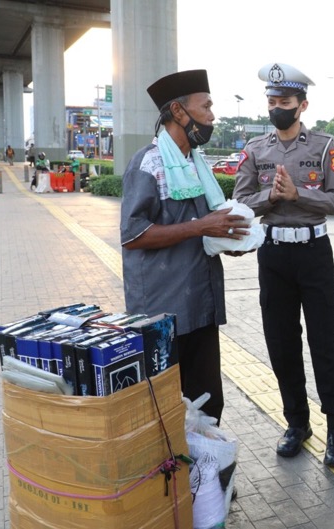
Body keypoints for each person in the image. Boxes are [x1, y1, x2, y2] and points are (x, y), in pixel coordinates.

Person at [232, 62, 334, 467]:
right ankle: (296, 423)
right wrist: (271, 197)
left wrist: (297, 193)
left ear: (302, 105)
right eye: (271, 101)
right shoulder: (255, 148)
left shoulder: (324, 145)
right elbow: (240, 201)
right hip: (274, 256)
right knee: (281, 344)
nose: (276, 107)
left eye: (284, 101)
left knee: (324, 344)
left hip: (314, 254)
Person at [120, 69, 250, 424]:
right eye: (205, 106)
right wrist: (201, 226)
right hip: (163, 310)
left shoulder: (196, 164)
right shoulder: (148, 163)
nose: (212, 115)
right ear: (178, 112)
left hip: (201, 304)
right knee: (167, 408)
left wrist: (230, 240)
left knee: (208, 403)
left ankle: (207, 475)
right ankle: (177, 478)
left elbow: (204, 229)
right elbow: (133, 235)